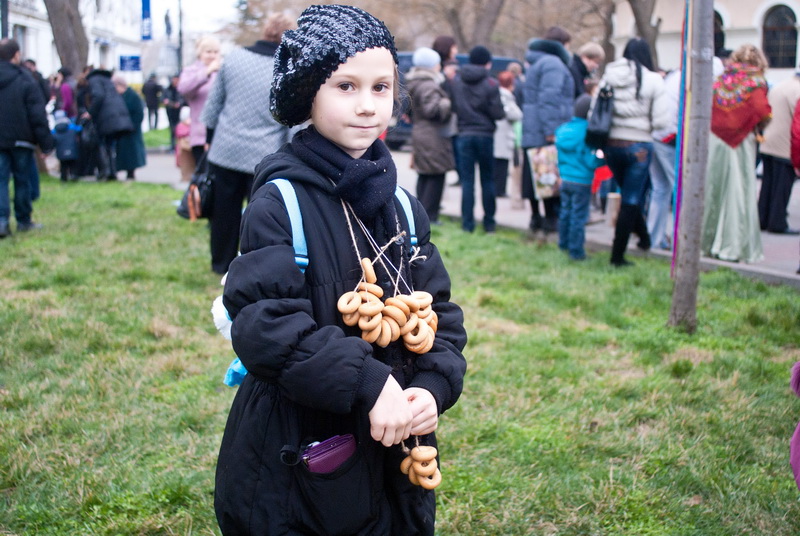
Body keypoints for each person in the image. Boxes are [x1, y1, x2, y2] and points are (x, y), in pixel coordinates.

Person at [213, 6, 467, 535]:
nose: (366, 106)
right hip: (303, 444)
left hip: (396, 439)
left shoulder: (402, 203)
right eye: (346, 86)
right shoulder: (280, 202)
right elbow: (265, 325)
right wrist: (370, 381)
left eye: (381, 88)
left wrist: (432, 387)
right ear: (308, 94)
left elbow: (440, 311)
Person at [201, 13, 295, 275]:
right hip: (264, 156)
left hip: (226, 150)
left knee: (223, 213)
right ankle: (254, 267)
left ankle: (221, 265)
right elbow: (291, 120)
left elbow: (212, 107)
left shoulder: (233, 59)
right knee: (262, 217)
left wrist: (210, 141)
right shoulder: (288, 70)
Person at [595, 37, 669, 266]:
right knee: (631, 196)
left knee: (628, 192)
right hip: (638, 147)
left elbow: (595, 111)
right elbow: (661, 121)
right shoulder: (654, 80)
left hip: (611, 145)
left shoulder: (608, 77)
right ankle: (617, 256)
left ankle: (644, 239)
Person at [702, 44, 772, 264]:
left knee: (713, 189)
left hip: (715, 140)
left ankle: (708, 242)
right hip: (741, 141)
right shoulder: (756, 81)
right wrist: (760, 125)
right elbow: (762, 111)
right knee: (738, 192)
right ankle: (732, 246)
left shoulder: (720, 80)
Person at [521, 26, 576, 235]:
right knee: (546, 175)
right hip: (545, 131)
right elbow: (549, 99)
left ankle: (536, 218)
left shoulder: (537, 62)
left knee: (534, 176)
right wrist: (551, 130)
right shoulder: (553, 63)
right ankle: (550, 220)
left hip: (532, 130)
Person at [0, 39, 54, 237]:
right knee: (22, 180)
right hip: (21, 138)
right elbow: (37, 114)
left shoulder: (24, 78)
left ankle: (1, 221)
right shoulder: (25, 78)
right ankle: (23, 220)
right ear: (16, 55)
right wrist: (46, 144)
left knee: (0, 180)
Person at [450, 45, 505, 233]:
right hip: (485, 136)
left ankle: (467, 224)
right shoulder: (491, 84)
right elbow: (497, 113)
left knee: (467, 182)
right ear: (487, 63)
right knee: (487, 180)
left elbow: (455, 106)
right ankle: (489, 223)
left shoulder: (457, 81)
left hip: (464, 134)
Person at [405, 46, 454, 224]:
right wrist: (446, 102)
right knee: (435, 175)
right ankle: (429, 217)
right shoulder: (429, 84)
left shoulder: (416, 82)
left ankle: (422, 214)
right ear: (432, 66)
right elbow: (432, 110)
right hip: (431, 135)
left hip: (421, 133)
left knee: (425, 174)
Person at [555, 94, 605, 260]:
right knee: (578, 216)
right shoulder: (587, 132)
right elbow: (590, 162)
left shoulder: (563, 130)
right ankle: (576, 252)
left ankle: (563, 244)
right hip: (582, 180)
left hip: (565, 178)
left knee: (565, 212)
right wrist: (603, 160)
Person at [758, 70, 800, 235]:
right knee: (782, 188)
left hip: (769, 142)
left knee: (768, 184)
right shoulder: (797, 91)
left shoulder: (781, 85)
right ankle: (777, 222)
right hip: (785, 145)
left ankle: (762, 218)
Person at [647, 68, 681, 250]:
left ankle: (654, 238)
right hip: (670, 137)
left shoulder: (674, 76)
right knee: (680, 187)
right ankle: (682, 240)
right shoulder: (708, 67)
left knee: (660, 188)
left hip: (657, 134)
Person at [85, 66, 134, 181]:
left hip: (107, 118)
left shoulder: (94, 80)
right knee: (111, 145)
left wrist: (90, 112)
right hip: (117, 117)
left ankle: (106, 172)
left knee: (103, 144)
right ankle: (112, 171)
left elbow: (98, 96)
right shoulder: (107, 80)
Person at [178, 35, 221, 164]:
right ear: (200, 53)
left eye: (215, 52)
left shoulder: (223, 71)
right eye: (208, 52)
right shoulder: (192, 71)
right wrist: (207, 72)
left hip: (222, 133)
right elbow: (183, 89)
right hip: (200, 132)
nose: (212, 55)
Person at [493, 71, 523, 198]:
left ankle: (498, 188)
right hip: (502, 134)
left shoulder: (497, 94)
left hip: (499, 133)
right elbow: (516, 114)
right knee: (501, 164)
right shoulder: (505, 96)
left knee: (499, 163)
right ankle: (499, 190)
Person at [112, 75, 146, 180]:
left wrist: (133, 126)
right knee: (123, 152)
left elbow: (139, 113)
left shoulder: (133, 96)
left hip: (132, 130)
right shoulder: (119, 97)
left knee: (132, 153)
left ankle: (131, 172)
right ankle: (124, 170)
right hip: (122, 129)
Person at [51, 109, 81, 182]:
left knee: (63, 166)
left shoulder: (54, 131)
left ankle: (63, 178)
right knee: (73, 164)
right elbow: (80, 129)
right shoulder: (72, 127)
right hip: (72, 150)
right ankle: (74, 175)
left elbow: (51, 139)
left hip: (61, 152)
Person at [162, 74, 184, 150]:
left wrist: (179, 103)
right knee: (172, 128)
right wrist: (166, 102)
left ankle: (179, 145)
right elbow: (163, 98)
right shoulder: (168, 89)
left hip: (179, 111)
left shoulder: (181, 89)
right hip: (170, 111)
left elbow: (184, 99)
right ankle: (173, 145)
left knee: (179, 128)